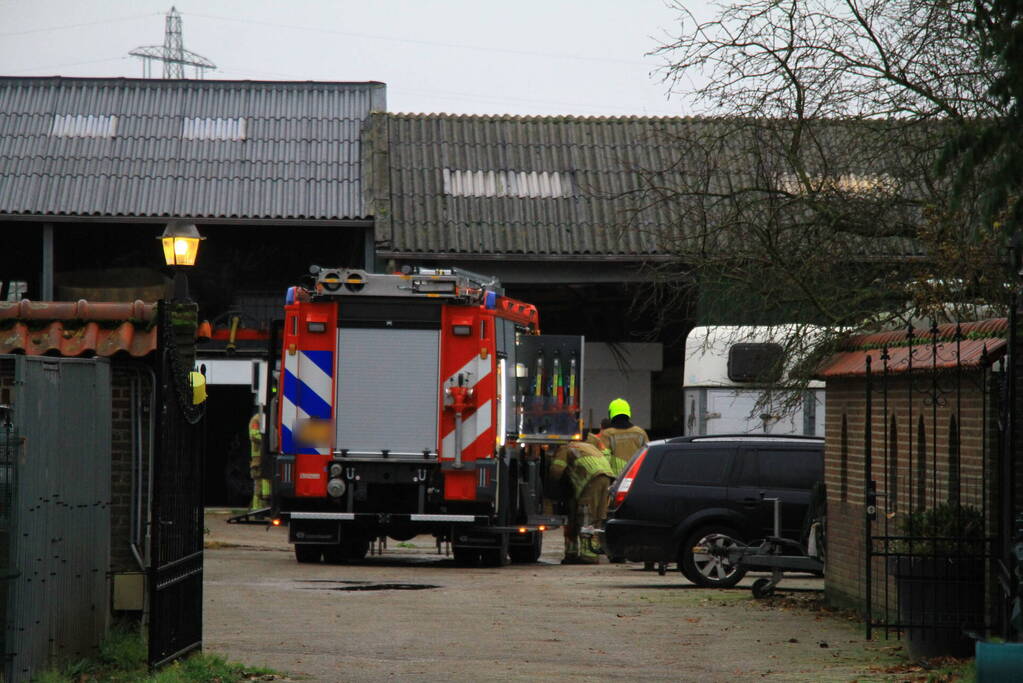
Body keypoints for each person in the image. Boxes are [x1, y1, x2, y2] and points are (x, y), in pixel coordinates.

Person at [548, 438, 615, 564]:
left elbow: (556, 470)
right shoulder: (588, 447)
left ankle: (587, 555)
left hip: (590, 479)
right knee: (598, 515)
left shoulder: (564, 448)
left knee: (586, 514)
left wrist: (552, 489)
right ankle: (580, 552)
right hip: (607, 478)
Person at [600, 398, 649, 477]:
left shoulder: (607, 434)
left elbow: (603, 460)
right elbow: (647, 457)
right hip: (636, 478)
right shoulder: (640, 433)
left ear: (610, 414)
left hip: (616, 480)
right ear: (628, 413)